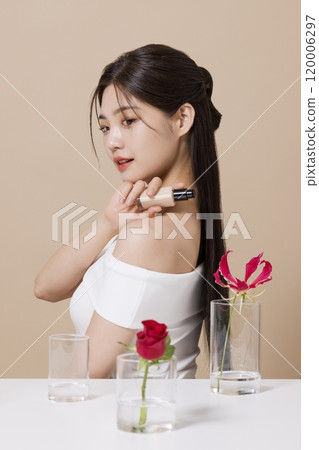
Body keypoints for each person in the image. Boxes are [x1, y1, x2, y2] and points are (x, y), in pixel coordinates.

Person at [34, 44, 226, 378]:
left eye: (128, 120)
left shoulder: (152, 233)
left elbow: (83, 378)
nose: (112, 141)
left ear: (182, 119)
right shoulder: (157, 217)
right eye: (106, 126)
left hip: (134, 424)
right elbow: (46, 287)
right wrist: (109, 224)